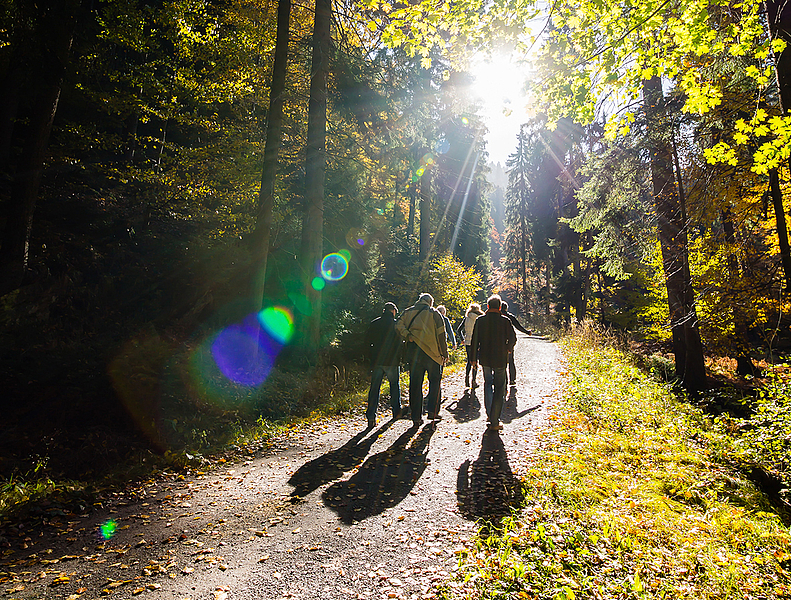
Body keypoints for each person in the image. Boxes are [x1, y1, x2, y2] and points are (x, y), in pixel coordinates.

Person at [396, 293, 448, 426]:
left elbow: (398, 325)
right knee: (435, 382)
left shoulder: (408, 312)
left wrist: (408, 335)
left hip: (414, 353)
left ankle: (416, 416)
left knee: (415, 384)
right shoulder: (435, 314)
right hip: (433, 354)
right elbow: (442, 335)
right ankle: (433, 412)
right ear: (430, 302)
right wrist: (444, 353)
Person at [470, 294, 516, 431]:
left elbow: (474, 340)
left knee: (488, 384)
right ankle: (495, 419)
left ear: (488, 306)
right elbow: (513, 338)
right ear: (500, 307)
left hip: (485, 358)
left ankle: (490, 414)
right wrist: (508, 348)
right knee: (500, 387)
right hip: (500, 359)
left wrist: (473, 358)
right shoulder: (505, 321)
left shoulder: (480, 320)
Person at [364, 302, 404, 428]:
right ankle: (396, 412)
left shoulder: (375, 323)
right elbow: (401, 343)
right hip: (392, 361)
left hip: (377, 361)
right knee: (394, 386)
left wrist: (370, 358)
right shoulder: (396, 324)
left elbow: (367, 342)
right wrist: (401, 358)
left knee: (374, 389)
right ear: (393, 311)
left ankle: (371, 417)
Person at [500, 301, 530, 385]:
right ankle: (512, 380)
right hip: (509, 342)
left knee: (502, 363)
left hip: (499, 342)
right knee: (511, 361)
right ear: (506, 308)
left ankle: (504, 380)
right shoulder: (510, 316)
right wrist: (527, 332)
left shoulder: (497, 316)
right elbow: (518, 326)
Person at [458, 302, 484, 388]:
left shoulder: (466, 318)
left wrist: (462, 339)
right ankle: (473, 380)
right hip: (476, 343)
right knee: (475, 361)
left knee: (469, 361)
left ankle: (466, 378)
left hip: (467, 342)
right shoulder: (479, 318)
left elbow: (459, 330)